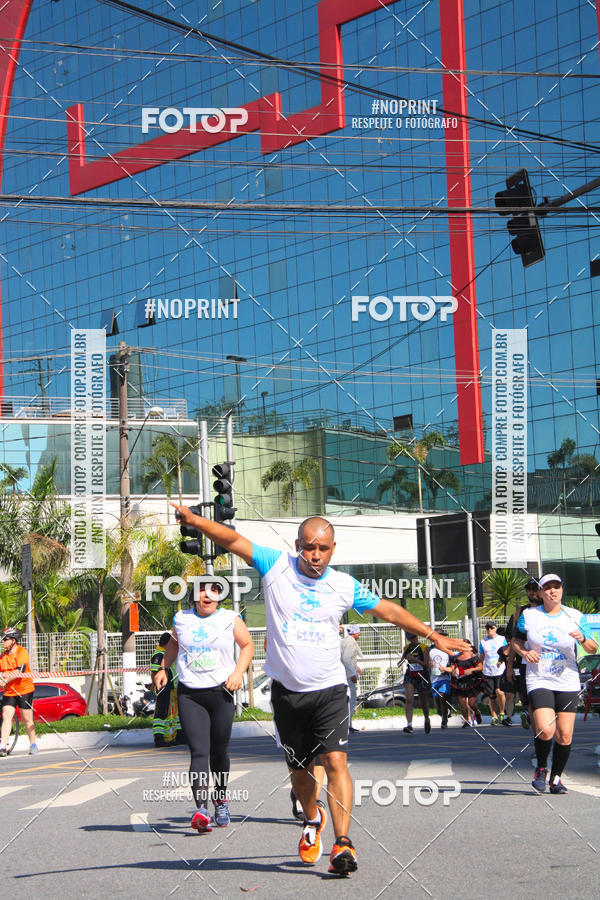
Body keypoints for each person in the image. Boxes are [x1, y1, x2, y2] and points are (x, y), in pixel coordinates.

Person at [171, 504, 468, 875]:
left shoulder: (343, 585)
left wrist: (435, 636)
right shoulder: (275, 565)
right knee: (300, 772)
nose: (315, 554)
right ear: (298, 545)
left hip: (329, 690)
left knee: (335, 762)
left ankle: (343, 843)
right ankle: (313, 819)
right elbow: (232, 540)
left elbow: (389, 611)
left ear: (333, 549)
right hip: (287, 694)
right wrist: (195, 521)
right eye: (309, 546)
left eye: (323, 548)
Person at [154, 581, 254, 831]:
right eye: (201, 590)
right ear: (194, 596)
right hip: (191, 695)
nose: (206, 595)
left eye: (213, 591)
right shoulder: (182, 618)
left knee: (219, 753)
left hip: (222, 692)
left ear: (219, 596)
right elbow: (175, 644)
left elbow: (247, 645)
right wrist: (164, 668)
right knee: (199, 752)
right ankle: (201, 809)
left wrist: (238, 673)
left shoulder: (230, 618)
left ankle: (220, 799)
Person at [512, 573, 597, 795]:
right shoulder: (529, 615)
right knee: (544, 728)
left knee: (565, 734)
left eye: (556, 586)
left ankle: (556, 778)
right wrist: (524, 652)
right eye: (547, 587)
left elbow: (593, 648)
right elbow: (516, 641)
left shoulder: (575, 616)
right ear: (540, 592)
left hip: (567, 679)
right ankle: (541, 767)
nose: (553, 591)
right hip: (539, 677)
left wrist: (583, 639)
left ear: (562, 589)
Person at [506, 578, 541, 729]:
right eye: (529, 589)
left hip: (549, 661)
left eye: (535, 588)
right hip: (526, 662)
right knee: (531, 699)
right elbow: (514, 641)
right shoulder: (521, 612)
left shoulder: (549, 609)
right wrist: (509, 666)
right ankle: (538, 740)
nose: (532, 592)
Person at [0, 627, 38, 755]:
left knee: (26, 718)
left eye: (5, 639)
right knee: (6, 716)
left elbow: (19, 671)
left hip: (24, 690)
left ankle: (33, 744)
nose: (3, 642)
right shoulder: (3, 656)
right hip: (9, 691)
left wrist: (5, 680)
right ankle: (3, 746)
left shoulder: (22, 652)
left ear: (13, 640)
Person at [150, 632, 181, 747]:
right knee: (161, 712)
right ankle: (159, 738)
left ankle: (170, 737)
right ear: (167, 644)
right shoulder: (159, 655)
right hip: (162, 687)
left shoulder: (166, 654)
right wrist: (155, 686)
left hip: (171, 687)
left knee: (170, 713)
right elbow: (155, 673)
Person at [398, 632, 431, 734]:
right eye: (411, 638)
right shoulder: (406, 648)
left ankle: (426, 719)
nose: (414, 639)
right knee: (409, 699)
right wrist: (401, 661)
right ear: (408, 639)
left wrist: (415, 660)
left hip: (422, 675)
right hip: (410, 675)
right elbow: (402, 659)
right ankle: (409, 724)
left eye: (415, 637)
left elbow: (426, 665)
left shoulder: (424, 648)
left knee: (423, 702)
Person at [479, 622, 507, 725]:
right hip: (488, 670)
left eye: (491, 628)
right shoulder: (483, 641)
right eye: (487, 628)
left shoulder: (501, 639)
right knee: (491, 694)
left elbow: (506, 651)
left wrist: (501, 660)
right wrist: (480, 667)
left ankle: (502, 711)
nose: (489, 630)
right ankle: (494, 715)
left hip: (500, 670)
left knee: (500, 691)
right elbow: (482, 655)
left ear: (495, 628)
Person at [449, 643, 484, 727]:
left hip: (472, 681)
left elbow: (480, 667)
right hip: (460, 682)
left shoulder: (473, 656)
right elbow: (451, 668)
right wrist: (445, 669)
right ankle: (467, 721)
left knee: (471, 703)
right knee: (462, 702)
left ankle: (476, 711)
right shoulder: (455, 658)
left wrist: (471, 670)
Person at [340, 624, 363, 733]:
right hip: (348, 676)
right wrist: (352, 674)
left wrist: (356, 668)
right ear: (354, 633)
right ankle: (347, 725)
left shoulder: (346, 641)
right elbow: (345, 658)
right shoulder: (350, 642)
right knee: (351, 700)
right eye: (358, 632)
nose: (360, 634)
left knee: (348, 701)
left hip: (346, 674)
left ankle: (349, 724)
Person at [428, 629, 452, 728]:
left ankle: (444, 720)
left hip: (445, 677)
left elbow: (453, 663)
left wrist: (446, 669)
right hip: (434, 678)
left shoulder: (448, 649)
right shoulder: (430, 650)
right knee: (438, 700)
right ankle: (442, 712)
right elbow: (426, 663)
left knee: (443, 696)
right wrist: (429, 664)